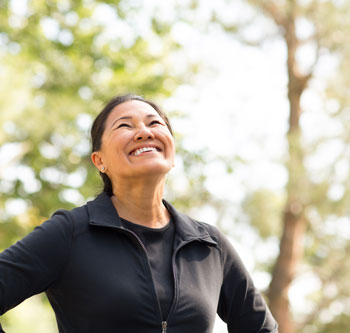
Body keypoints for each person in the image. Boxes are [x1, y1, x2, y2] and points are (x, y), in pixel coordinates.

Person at [0, 94, 278, 332]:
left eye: (155, 123)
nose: (145, 132)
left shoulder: (209, 245)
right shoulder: (70, 233)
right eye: (124, 125)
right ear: (100, 161)